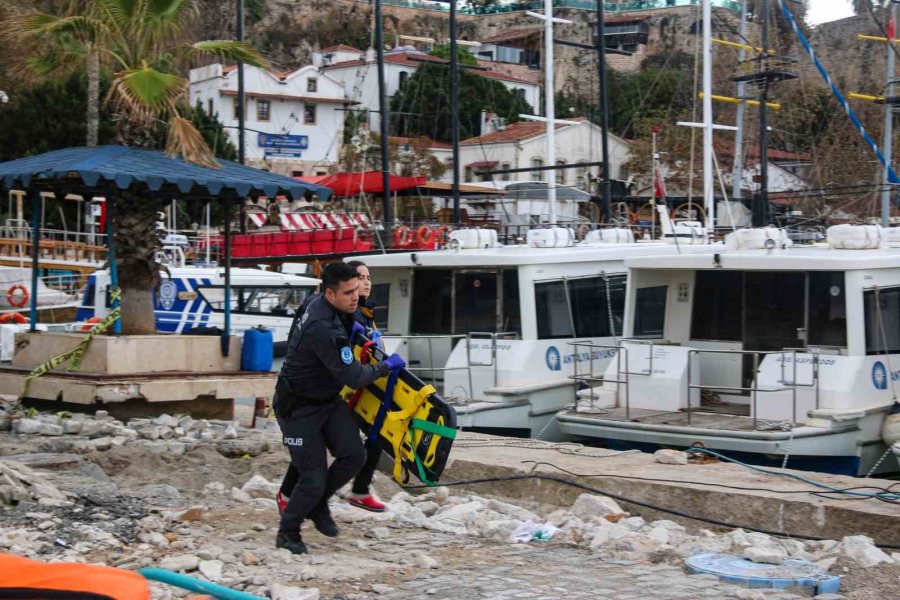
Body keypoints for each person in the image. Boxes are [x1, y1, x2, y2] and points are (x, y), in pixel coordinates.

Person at [273, 262, 406, 555]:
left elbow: (349, 325)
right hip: (297, 407)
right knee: (312, 477)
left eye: (356, 290)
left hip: (325, 400)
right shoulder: (323, 328)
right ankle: (288, 531)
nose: (355, 298)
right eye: (348, 293)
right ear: (330, 294)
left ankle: (319, 504)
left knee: (354, 455)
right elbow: (353, 377)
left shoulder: (321, 302)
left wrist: (357, 329)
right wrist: (387, 366)